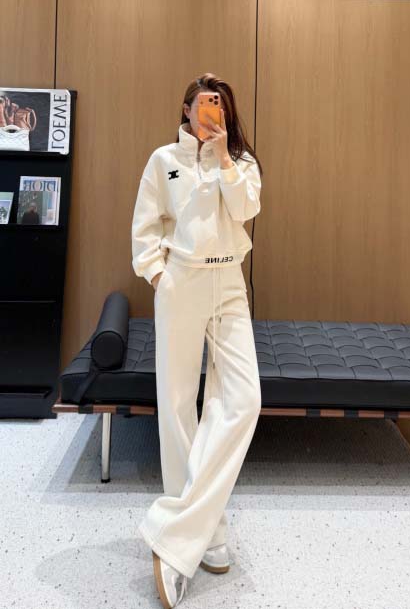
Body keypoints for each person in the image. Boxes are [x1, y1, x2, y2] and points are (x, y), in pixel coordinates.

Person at [131, 73, 263, 608]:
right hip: (181, 280)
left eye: (220, 105)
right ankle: (207, 532)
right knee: (178, 405)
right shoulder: (163, 159)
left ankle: (179, 531)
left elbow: (246, 210)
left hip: (228, 281)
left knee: (244, 400)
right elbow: (146, 226)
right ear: (186, 108)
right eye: (204, 103)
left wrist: (224, 155)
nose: (212, 111)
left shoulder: (243, 163)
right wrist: (159, 277)